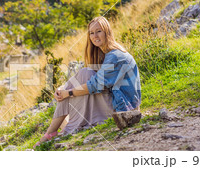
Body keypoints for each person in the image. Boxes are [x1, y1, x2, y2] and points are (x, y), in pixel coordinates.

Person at [34, 16, 142, 148]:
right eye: (91, 33)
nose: (95, 36)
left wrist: (68, 92)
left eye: (99, 31)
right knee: (85, 73)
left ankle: (50, 133)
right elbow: (95, 80)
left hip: (124, 109)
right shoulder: (107, 54)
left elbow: (95, 85)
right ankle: (53, 130)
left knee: (85, 74)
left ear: (107, 31)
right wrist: (64, 89)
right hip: (118, 102)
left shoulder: (115, 56)